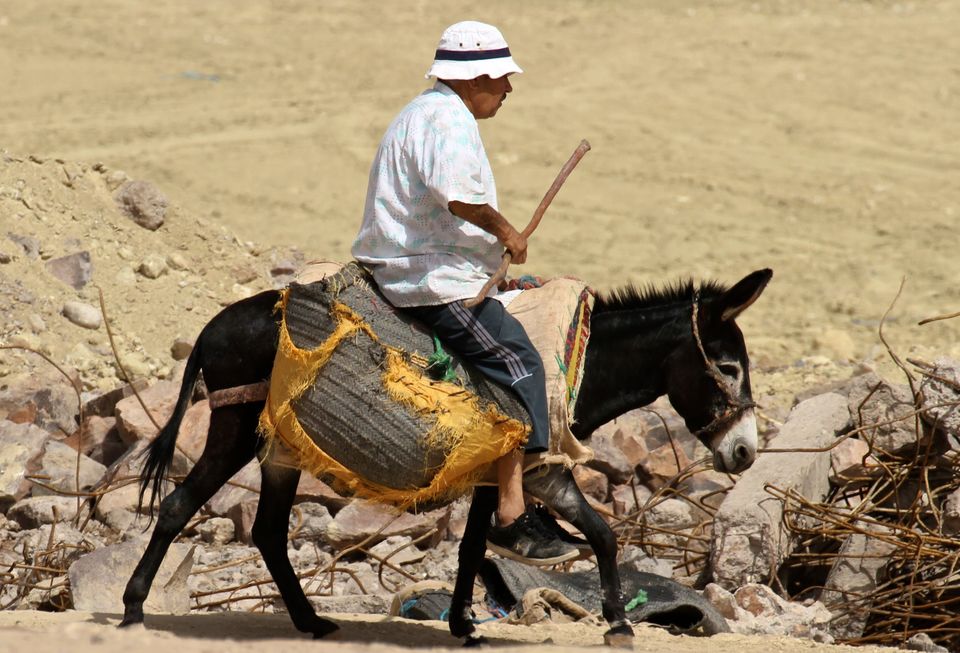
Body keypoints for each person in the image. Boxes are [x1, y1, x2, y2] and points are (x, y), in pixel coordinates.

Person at [352, 21, 577, 565]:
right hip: (429, 281)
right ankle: (511, 514)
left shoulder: (426, 112)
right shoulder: (446, 121)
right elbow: (458, 198)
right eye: (501, 80)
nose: (508, 91)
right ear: (476, 77)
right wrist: (506, 232)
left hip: (437, 269)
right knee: (520, 361)